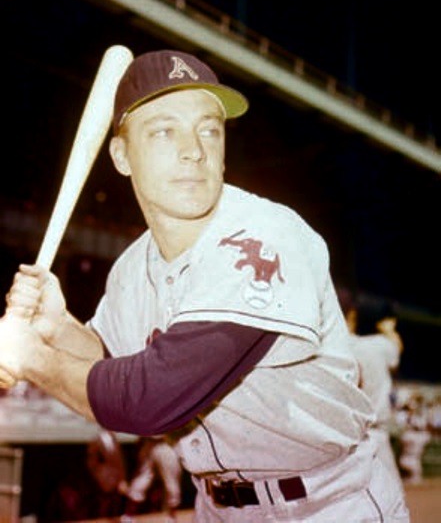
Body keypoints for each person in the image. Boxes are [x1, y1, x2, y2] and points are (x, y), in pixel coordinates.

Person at [0, 49, 409, 522]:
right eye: (164, 131)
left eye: (209, 130)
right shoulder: (132, 268)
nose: (193, 149)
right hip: (215, 507)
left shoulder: (263, 234)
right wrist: (57, 327)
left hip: (327, 504)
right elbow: (109, 361)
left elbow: (153, 396)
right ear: (121, 156)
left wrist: (31, 357)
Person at [339, 292, 404, 482]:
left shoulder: (341, 344)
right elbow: (397, 346)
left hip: (344, 437)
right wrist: (388, 328)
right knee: (390, 496)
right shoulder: (380, 346)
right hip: (374, 435)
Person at [119, 435, 183, 519]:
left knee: (171, 482)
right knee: (142, 479)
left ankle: (172, 516)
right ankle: (129, 516)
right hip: (150, 443)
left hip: (164, 444)